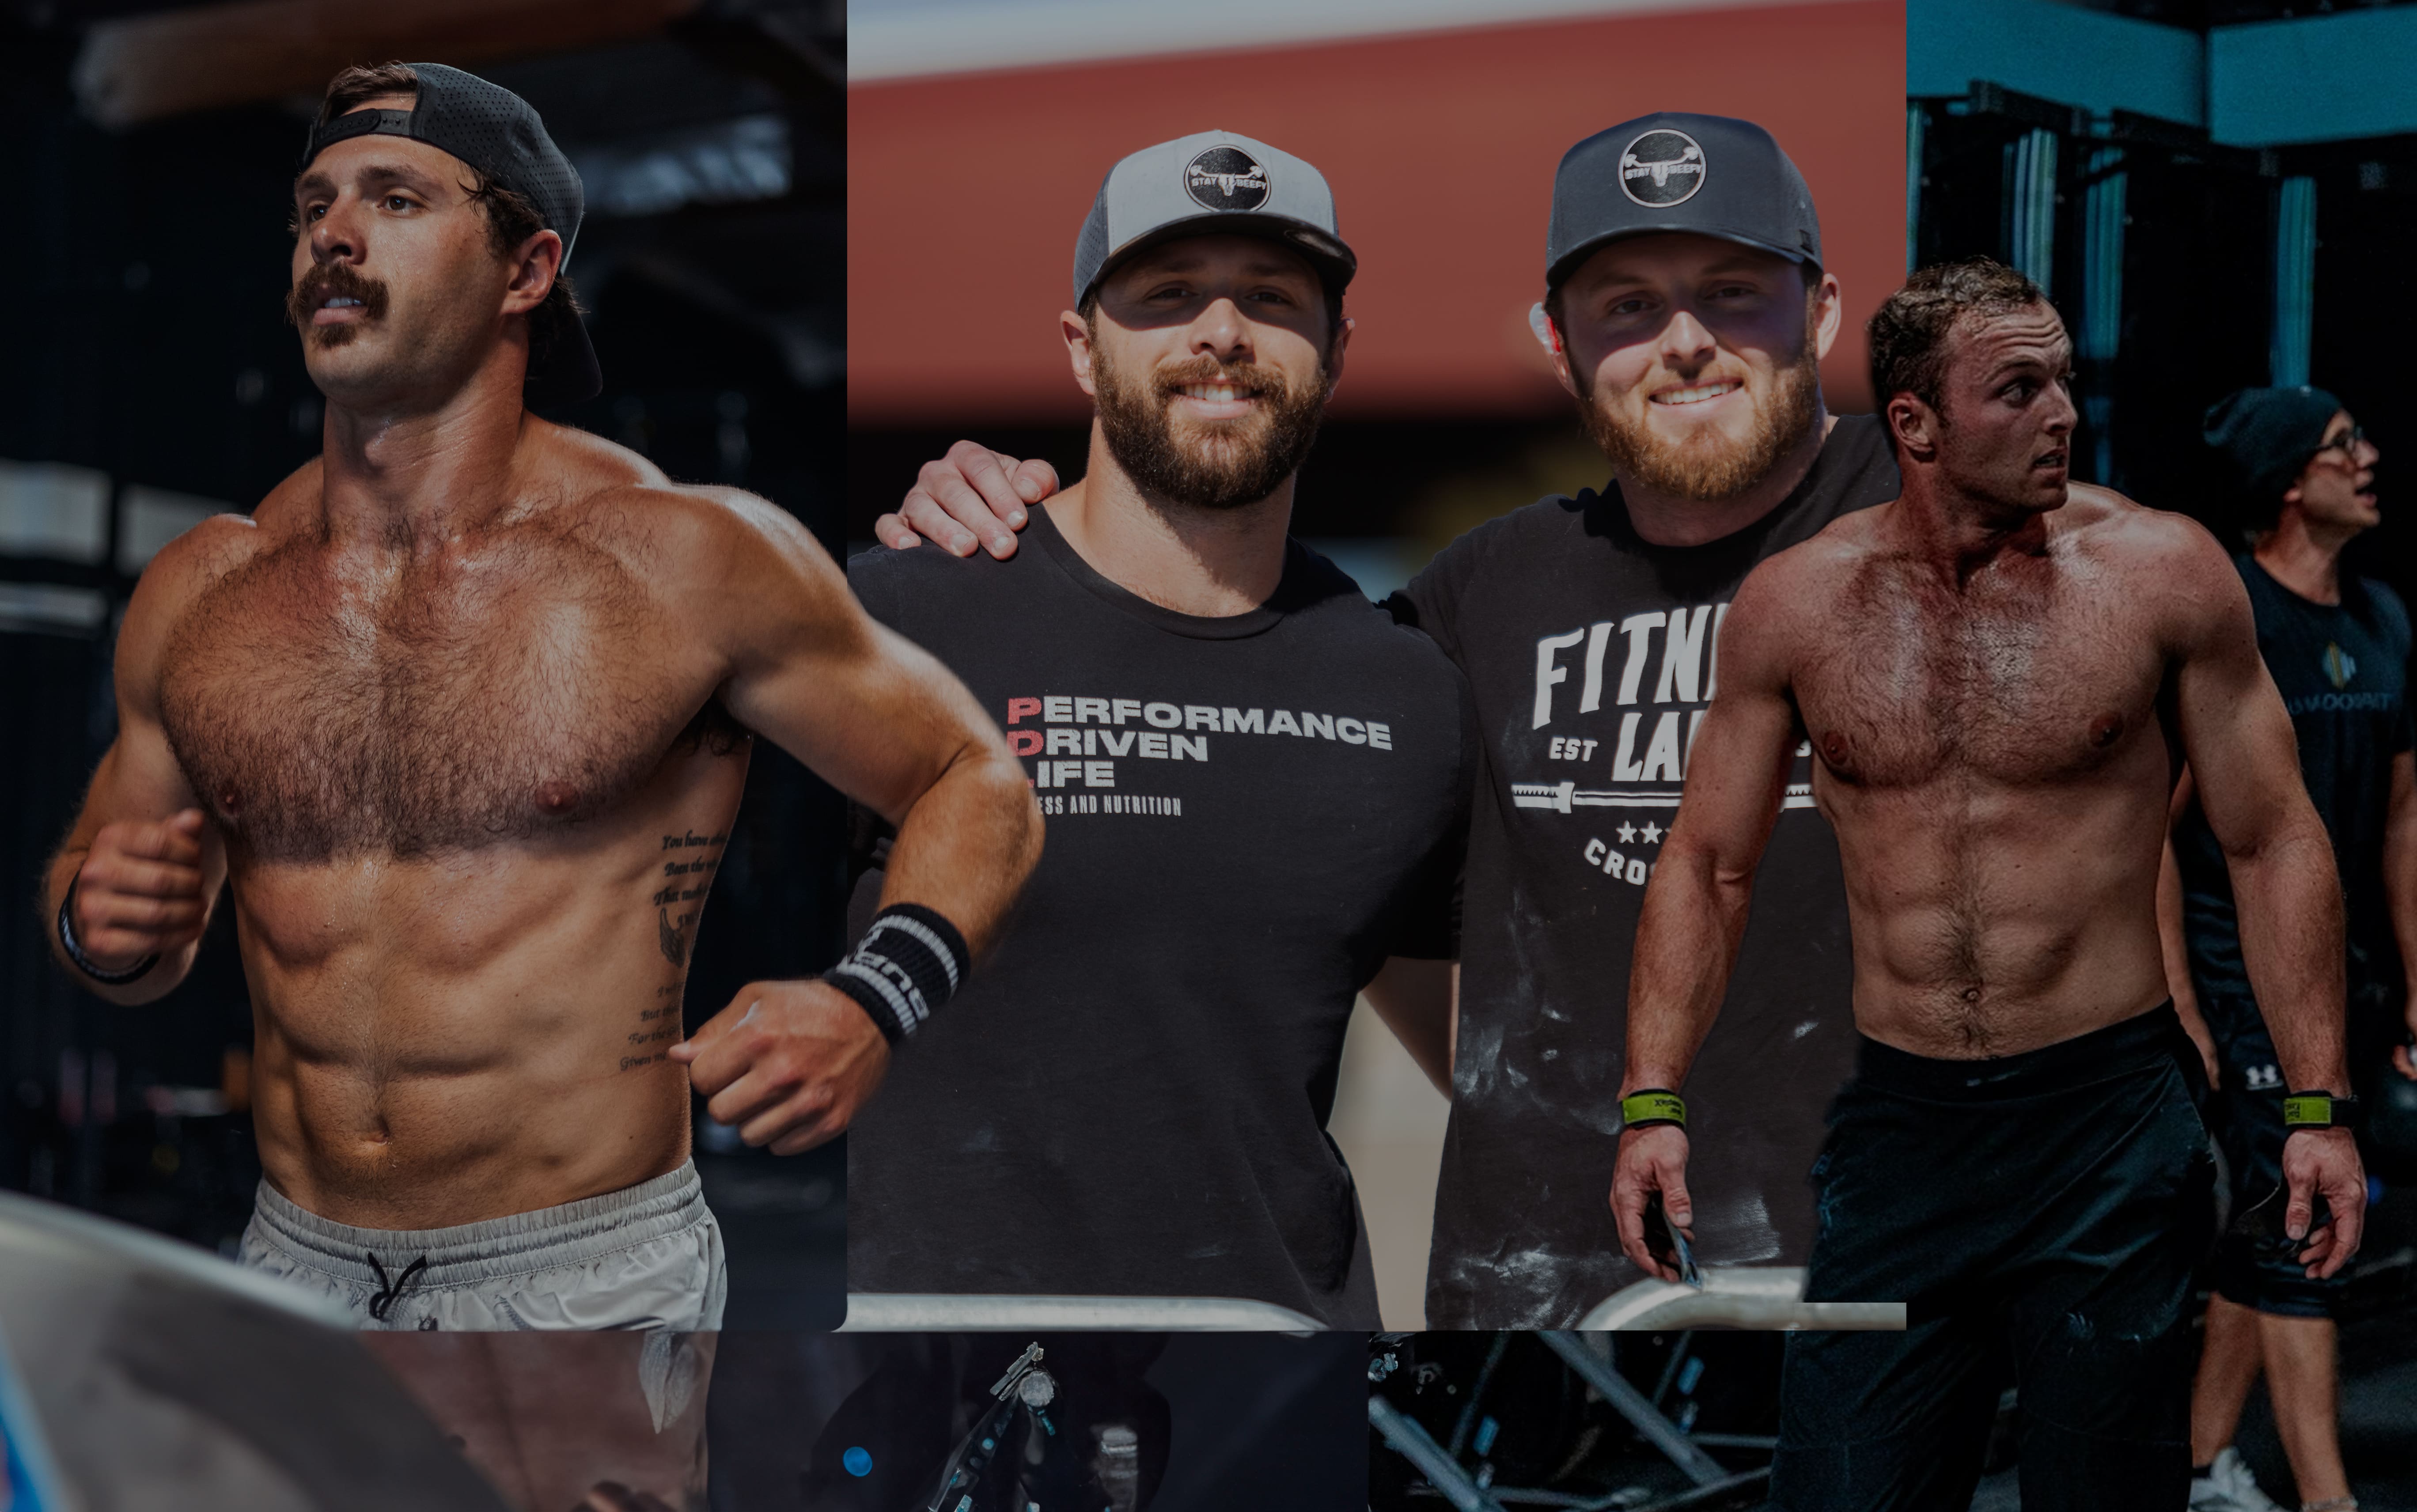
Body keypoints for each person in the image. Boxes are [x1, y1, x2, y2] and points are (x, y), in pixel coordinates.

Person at [42, 61, 1040, 1336]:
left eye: (397, 199)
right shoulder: (203, 590)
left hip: (583, 1275)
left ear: (527, 272)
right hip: (292, 1263)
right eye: (312, 207)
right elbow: (128, 947)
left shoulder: (687, 560)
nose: (332, 237)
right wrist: (102, 929)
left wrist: (873, 999)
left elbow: (976, 779)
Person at [877, 114, 1897, 1327]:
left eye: (1733, 293)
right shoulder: (1463, 613)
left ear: (1825, 314)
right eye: (1625, 306)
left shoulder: (1958, 536)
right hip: (1545, 1325)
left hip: (1894, 1281)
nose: (1684, 343)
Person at [1610, 257, 2367, 1508]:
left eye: (2065, 381)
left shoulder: (2162, 574)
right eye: (2019, 389)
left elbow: (2273, 841)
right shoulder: (1798, 602)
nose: (2062, 413)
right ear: (1914, 422)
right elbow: (1707, 859)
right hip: (1906, 1134)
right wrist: (1650, 1104)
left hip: (2110, 1125)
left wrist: (2316, 1109)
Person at [845, 131, 1473, 1327]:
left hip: (1277, 1371)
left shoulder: (1407, 691)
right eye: (1169, 295)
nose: (1223, 333)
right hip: (938, 1374)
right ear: (1083, 351)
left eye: (1274, 299)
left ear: (1337, 354)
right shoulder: (898, 619)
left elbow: (1496, 1074)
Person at [2168, 388, 2416, 1512]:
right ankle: (2329, 1500)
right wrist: (2180, 993)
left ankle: (2193, 1468)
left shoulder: (2384, 619)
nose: (2369, 459)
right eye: (2342, 446)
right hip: (2244, 967)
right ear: (2285, 482)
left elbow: (2407, 820)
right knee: (2311, 1224)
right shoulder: (2231, 620)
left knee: (2268, 1231)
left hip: (2344, 970)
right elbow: (2153, 835)